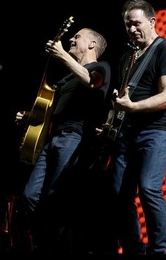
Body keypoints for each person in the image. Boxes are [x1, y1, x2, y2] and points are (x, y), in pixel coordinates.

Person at [15, 27, 111, 253]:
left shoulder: (100, 67)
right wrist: (29, 117)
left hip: (74, 137)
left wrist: (62, 55)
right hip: (52, 139)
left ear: (92, 45)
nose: (71, 39)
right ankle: (43, 242)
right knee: (30, 195)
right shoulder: (67, 77)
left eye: (77, 36)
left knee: (56, 198)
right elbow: (53, 110)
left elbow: (91, 82)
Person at [100, 0, 166, 255]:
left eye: (136, 23)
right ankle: (134, 248)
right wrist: (110, 122)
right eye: (128, 25)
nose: (132, 29)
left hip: (157, 129)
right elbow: (124, 99)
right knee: (118, 194)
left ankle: (159, 251)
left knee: (148, 187)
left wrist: (133, 107)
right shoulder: (128, 57)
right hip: (127, 132)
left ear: (152, 21)